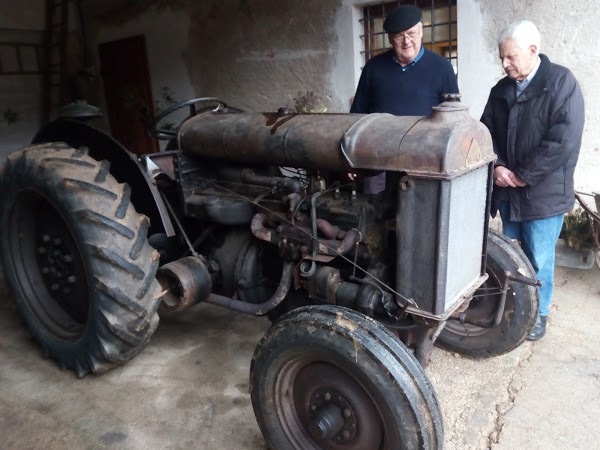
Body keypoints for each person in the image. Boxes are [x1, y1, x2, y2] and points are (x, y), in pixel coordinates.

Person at [481, 20, 585, 341]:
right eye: (502, 58)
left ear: (532, 51)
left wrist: (524, 175)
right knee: (512, 255)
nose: (504, 64)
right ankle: (513, 308)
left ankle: (538, 315)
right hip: (509, 192)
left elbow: (563, 141)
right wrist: (496, 167)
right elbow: (484, 133)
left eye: (510, 57)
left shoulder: (560, 83)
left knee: (539, 258)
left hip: (543, 195)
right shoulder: (500, 91)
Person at [350, 4, 458, 193]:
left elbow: (452, 120)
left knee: (418, 219)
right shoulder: (373, 68)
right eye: (399, 36)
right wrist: (351, 159)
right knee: (372, 216)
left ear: (421, 32)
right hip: (376, 164)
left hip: (423, 165)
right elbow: (357, 115)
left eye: (411, 33)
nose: (406, 41)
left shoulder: (442, 68)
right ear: (391, 39)